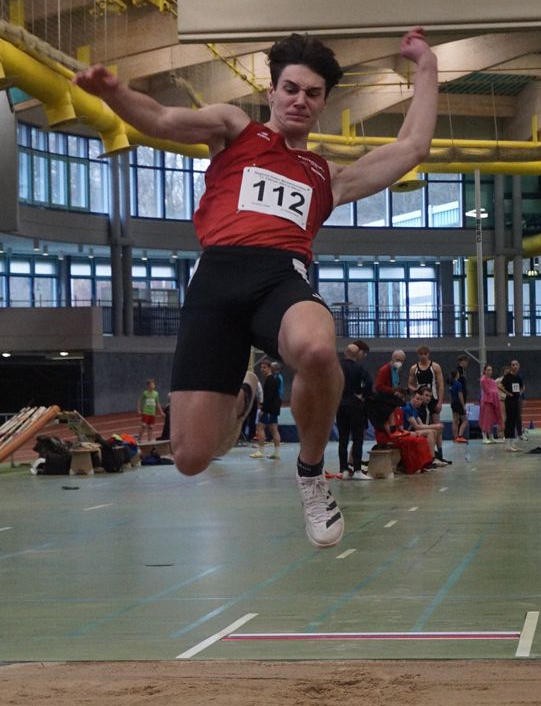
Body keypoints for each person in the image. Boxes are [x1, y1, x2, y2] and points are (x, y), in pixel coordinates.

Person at [74, 27, 438, 548]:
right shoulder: (234, 128)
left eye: (312, 93)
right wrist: (114, 93)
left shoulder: (328, 177)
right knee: (190, 458)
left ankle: (311, 475)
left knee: (317, 349)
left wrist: (426, 65)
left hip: (281, 277)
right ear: (272, 91)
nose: (299, 100)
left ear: (324, 103)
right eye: (290, 88)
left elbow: (412, 146)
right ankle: (244, 393)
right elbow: (162, 119)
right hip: (217, 282)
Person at [335, 343, 372, 480]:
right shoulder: (359, 368)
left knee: (342, 439)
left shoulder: (337, 367)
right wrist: (362, 395)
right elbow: (369, 383)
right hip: (355, 406)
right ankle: (357, 470)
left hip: (340, 405)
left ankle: (343, 470)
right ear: (357, 354)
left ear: (345, 352)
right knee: (357, 438)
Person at [250, 360, 282, 459]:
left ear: (269, 368)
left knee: (260, 427)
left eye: (264, 367)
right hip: (274, 409)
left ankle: (261, 451)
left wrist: (263, 410)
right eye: (261, 367)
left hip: (269, 410)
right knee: (274, 429)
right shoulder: (274, 379)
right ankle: (277, 453)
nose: (262, 369)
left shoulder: (270, 380)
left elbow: (269, 397)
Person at [407, 345, 444, 419]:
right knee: (420, 419)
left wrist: (440, 402)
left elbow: (441, 385)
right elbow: (409, 384)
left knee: (436, 420)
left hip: (433, 397)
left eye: (425, 354)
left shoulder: (435, 367)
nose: (423, 356)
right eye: (421, 354)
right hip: (420, 398)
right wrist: (415, 390)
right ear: (418, 355)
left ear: (428, 354)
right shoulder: (414, 368)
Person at [501, 359, 525, 452]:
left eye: (516, 365)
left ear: (519, 366)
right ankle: (507, 445)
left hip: (516, 401)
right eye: (513, 365)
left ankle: (512, 444)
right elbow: (500, 386)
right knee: (509, 422)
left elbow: (523, 387)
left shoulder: (518, 377)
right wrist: (508, 393)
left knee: (514, 421)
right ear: (511, 367)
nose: (515, 366)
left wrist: (519, 394)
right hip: (509, 401)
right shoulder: (507, 376)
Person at [479, 364, 504, 444]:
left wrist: (496, 393)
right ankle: (484, 437)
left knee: (491, 420)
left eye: (491, 370)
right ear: (484, 371)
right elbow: (488, 391)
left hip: (493, 402)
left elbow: (495, 390)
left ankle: (491, 437)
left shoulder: (493, 381)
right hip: (486, 402)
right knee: (486, 419)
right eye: (488, 370)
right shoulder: (483, 380)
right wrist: (496, 393)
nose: (490, 372)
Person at [448, 369, 468, 443]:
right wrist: (463, 405)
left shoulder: (451, 385)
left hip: (453, 403)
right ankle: (460, 436)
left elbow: (450, 396)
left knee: (455, 421)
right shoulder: (458, 384)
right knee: (465, 421)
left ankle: (455, 437)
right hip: (458, 404)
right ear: (457, 375)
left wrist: (452, 403)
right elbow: (460, 395)